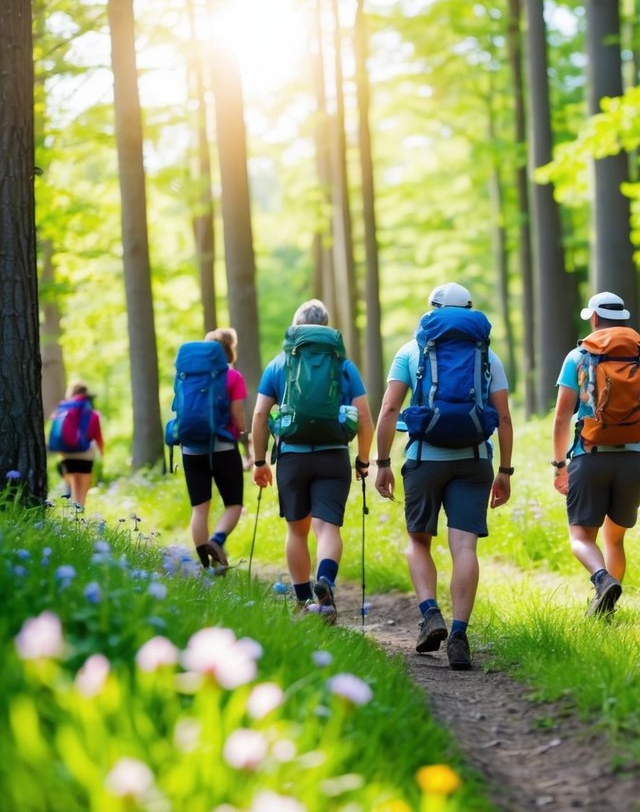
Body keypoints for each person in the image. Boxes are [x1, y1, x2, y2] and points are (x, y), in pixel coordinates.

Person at [374, 282, 514, 671]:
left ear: (431, 308)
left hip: (424, 458)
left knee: (419, 541)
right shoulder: (488, 356)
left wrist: (382, 461)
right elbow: (502, 417)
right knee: (464, 548)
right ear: (470, 309)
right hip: (473, 459)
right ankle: (459, 634)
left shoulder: (410, 350)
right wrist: (504, 469)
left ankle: (430, 612)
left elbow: (388, 410)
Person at [251, 300, 374, 625]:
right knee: (327, 528)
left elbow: (261, 415)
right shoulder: (343, 366)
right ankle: (327, 583)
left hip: (292, 456)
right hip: (333, 455)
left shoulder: (280, 364)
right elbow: (364, 418)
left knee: (297, 530)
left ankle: (305, 600)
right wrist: (363, 460)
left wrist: (260, 460)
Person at [551, 291, 640, 617]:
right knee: (614, 540)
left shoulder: (577, 357)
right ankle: (605, 611)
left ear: (593, 318)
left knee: (580, 537)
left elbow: (562, 416)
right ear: (623, 319)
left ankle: (602, 580)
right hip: (634, 462)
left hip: (589, 457)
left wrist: (560, 463)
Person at [181, 328, 247, 573]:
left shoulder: (187, 376)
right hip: (222, 447)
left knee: (199, 508)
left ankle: (205, 566)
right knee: (233, 504)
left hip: (190, 448)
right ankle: (216, 541)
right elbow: (238, 420)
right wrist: (244, 434)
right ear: (229, 351)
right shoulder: (232, 377)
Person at [54, 382, 104, 508]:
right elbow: (97, 436)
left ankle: (69, 511)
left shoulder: (64, 409)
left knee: (71, 483)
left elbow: (57, 431)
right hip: (85, 453)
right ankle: (78, 512)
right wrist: (102, 452)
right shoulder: (92, 413)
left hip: (67, 453)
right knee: (82, 486)